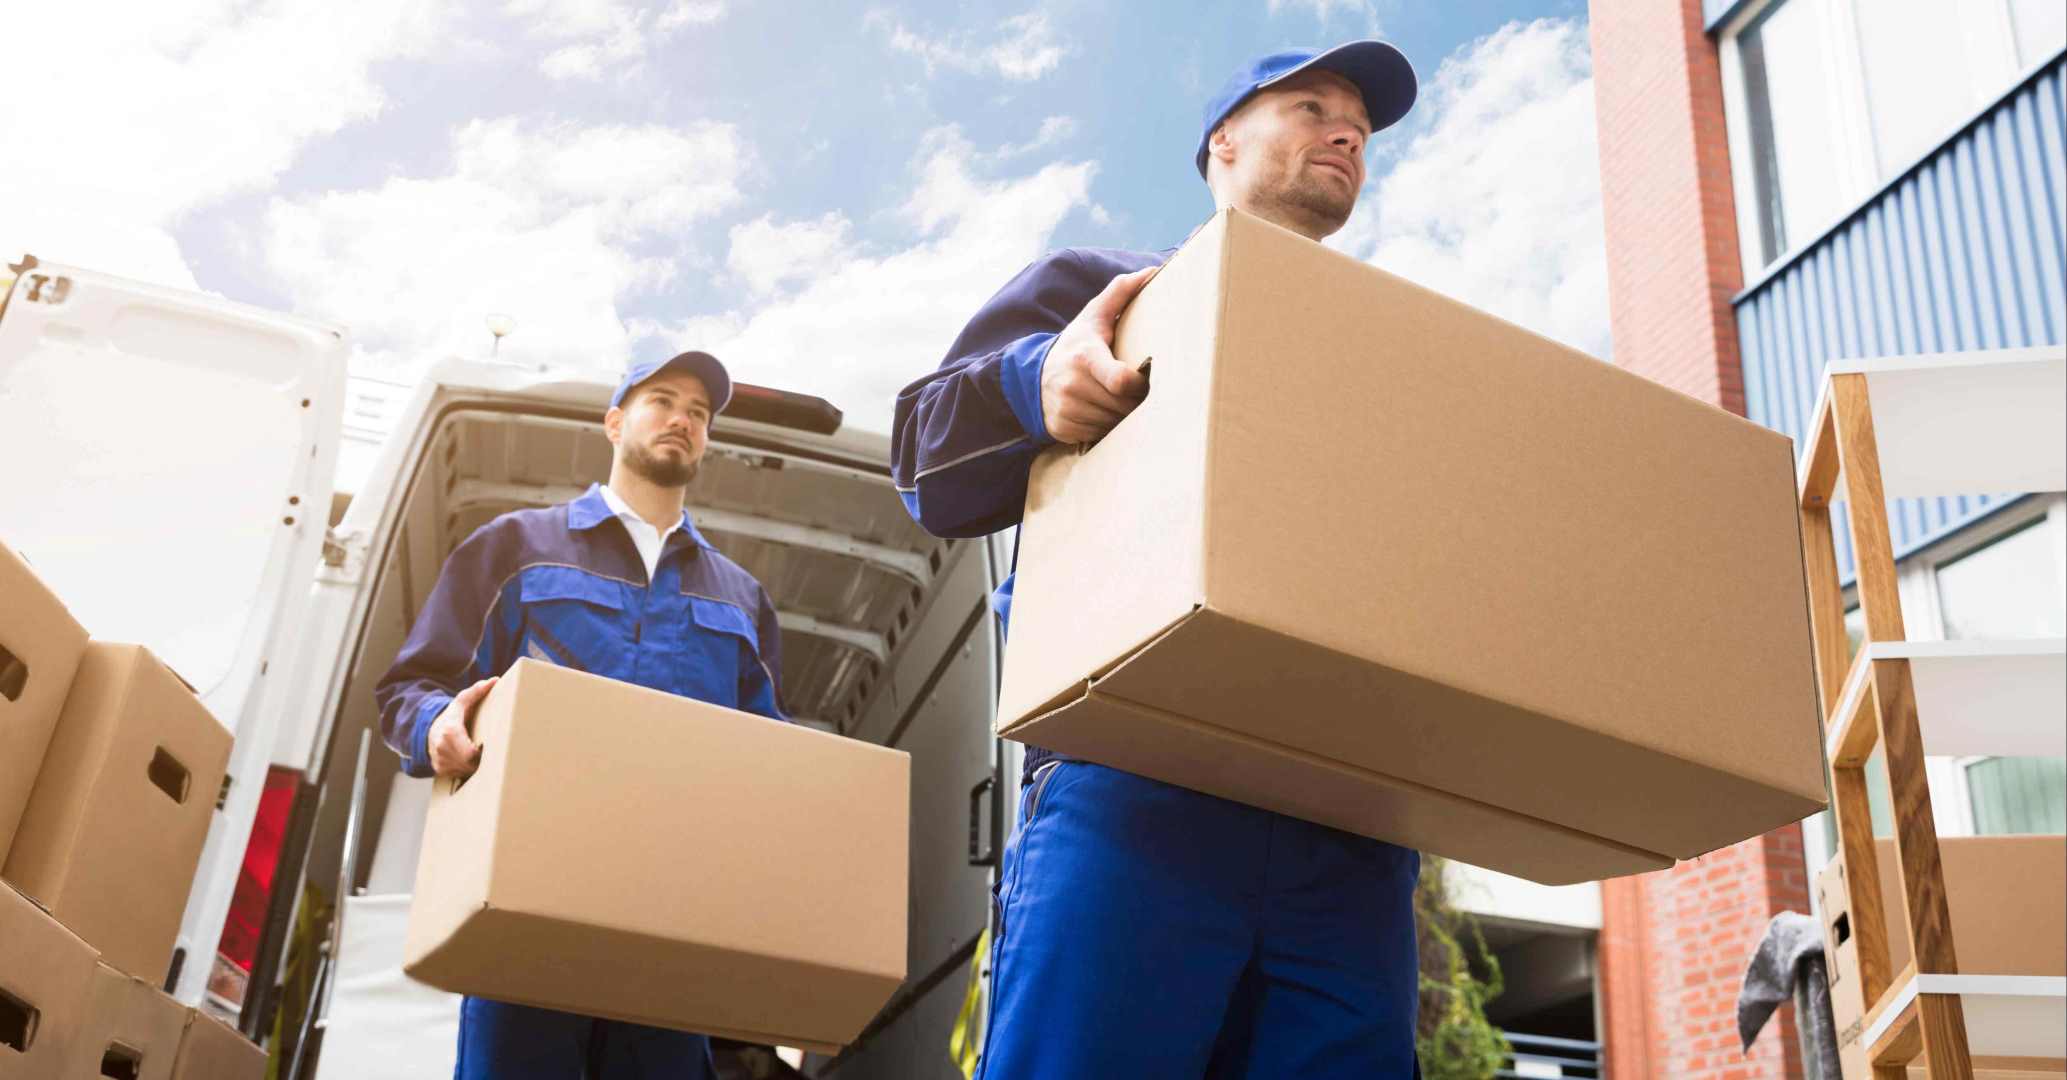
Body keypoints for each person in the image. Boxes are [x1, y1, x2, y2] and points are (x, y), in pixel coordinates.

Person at [891, 43, 1425, 1077]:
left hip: (1351, 833)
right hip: (1137, 793)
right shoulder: (1106, 293)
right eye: (1312, 105)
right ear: (1223, 143)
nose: (1346, 131)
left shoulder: (1391, 360)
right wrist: (1031, 383)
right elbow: (923, 467)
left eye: (1358, 123)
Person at [375, 350, 785, 1080]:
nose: (682, 421)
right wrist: (438, 726)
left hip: (671, 923)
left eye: (699, 413)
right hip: (525, 904)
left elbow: (767, 757)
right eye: (663, 400)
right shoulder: (516, 548)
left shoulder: (741, 597)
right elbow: (412, 684)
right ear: (614, 420)